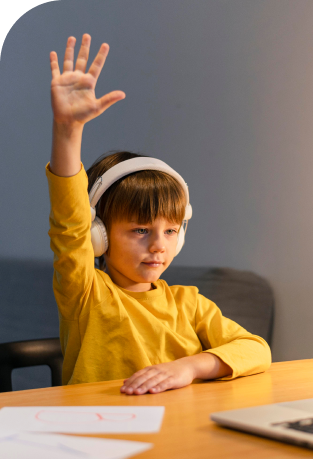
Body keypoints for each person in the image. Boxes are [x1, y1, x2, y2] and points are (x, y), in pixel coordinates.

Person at [47, 33, 271, 395]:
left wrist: (189, 367)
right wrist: (67, 130)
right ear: (98, 234)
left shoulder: (189, 303)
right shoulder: (86, 292)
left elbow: (256, 350)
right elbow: (68, 224)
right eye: (139, 231)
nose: (158, 246)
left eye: (170, 231)